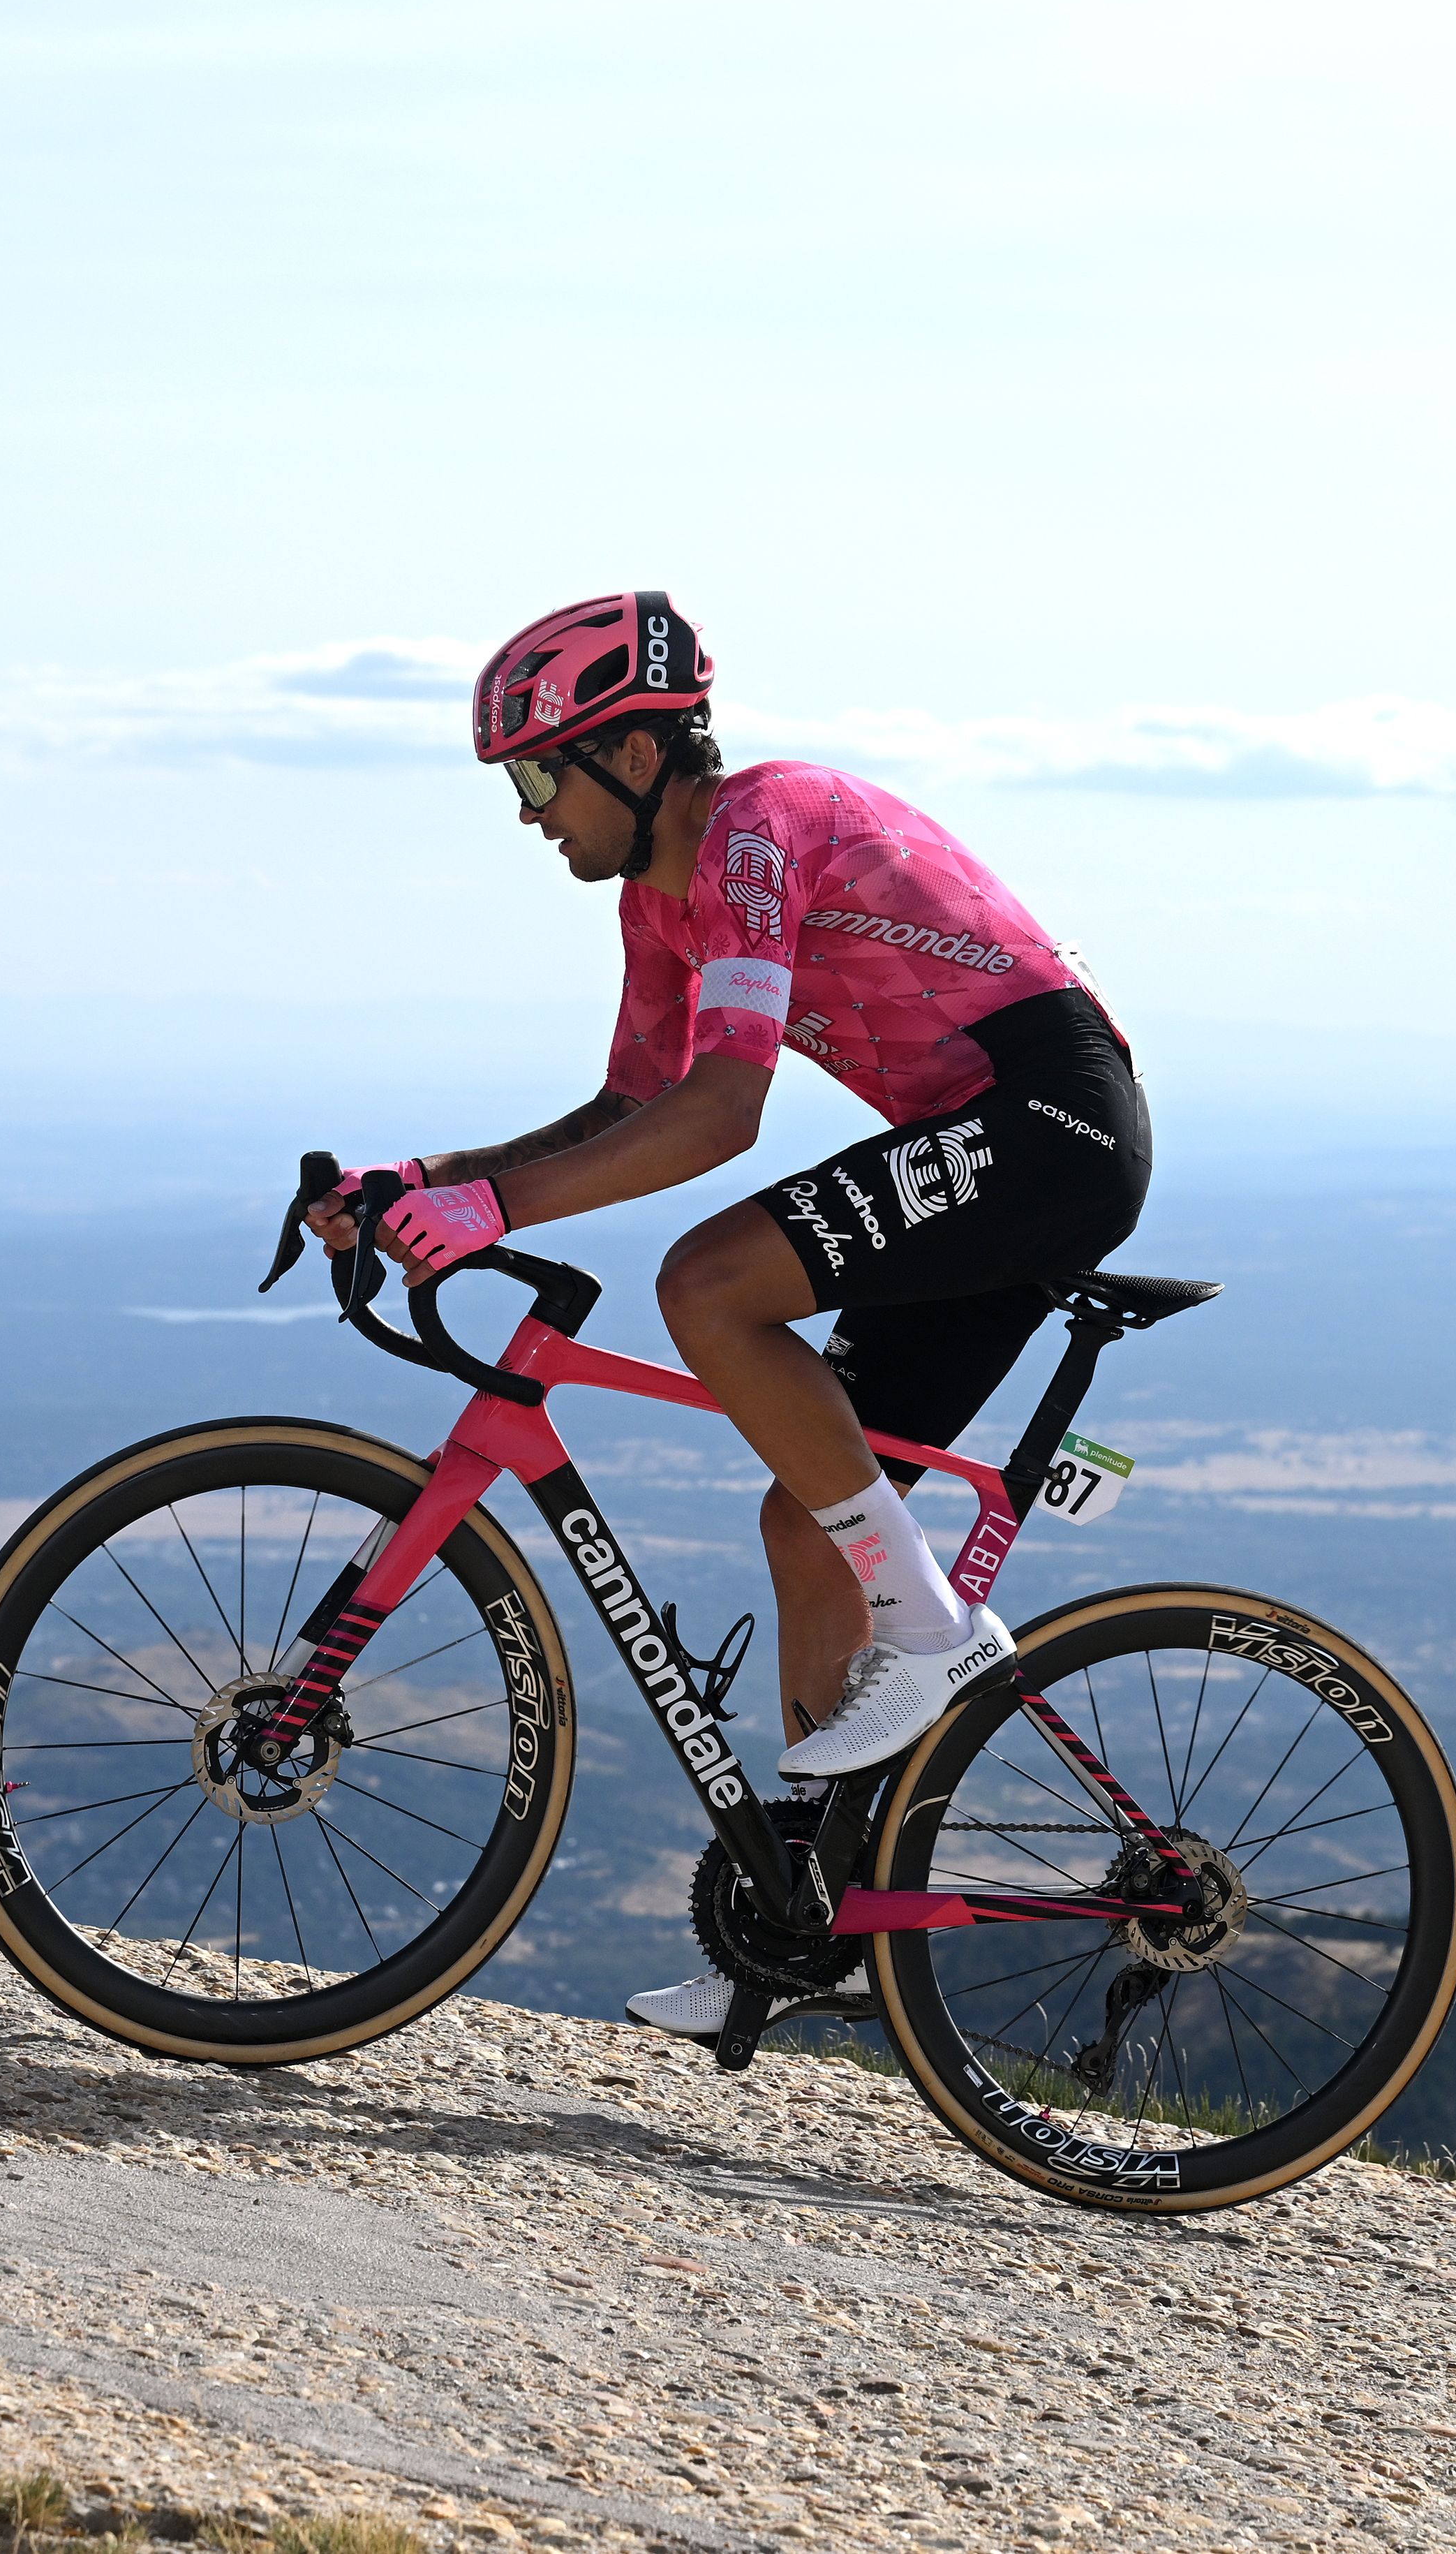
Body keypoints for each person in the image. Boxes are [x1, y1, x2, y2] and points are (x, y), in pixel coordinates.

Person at [304, 590, 1153, 2039]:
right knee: (803, 1522)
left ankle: (934, 1636)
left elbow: (721, 1114)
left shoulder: (759, 827)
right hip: (983, 1158)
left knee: (706, 1281)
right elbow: (625, 1108)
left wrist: (494, 1217)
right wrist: (433, 1177)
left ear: (634, 754)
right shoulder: (659, 900)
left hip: (1049, 1125)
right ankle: (806, 1914)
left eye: (533, 774)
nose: (523, 815)